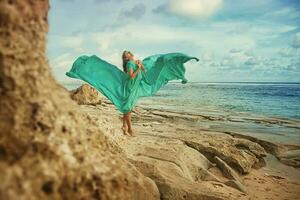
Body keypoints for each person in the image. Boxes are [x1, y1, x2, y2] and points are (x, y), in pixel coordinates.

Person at [66, 51, 199, 136]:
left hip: (134, 88)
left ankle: (124, 126)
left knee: (127, 109)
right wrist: (139, 68)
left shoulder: (135, 62)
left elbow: (146, 74)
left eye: (129, 53)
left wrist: (141, 66)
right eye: (126, 55)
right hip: (129, 88)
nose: (129, 55)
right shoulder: (130, 64)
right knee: (128, 109)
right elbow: (131, 77)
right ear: (126, 58)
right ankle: (129, 129)